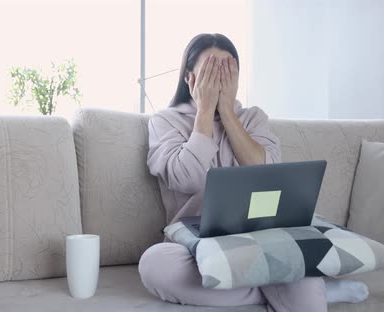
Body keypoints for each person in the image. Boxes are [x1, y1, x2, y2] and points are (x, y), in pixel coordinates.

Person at [139, 33, 368, 312]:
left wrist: (228, 114)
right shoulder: (165, 121)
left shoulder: (253, 118)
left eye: (227, 72)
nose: (220, 81)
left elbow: (266, 175)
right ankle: (299, 290)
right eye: (211, 72)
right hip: (195, 246)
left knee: (299, 276)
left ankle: (296, 285)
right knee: (155, 265)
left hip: (261, 241)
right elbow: (187, 178)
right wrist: (205, 112)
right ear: (190, 79)